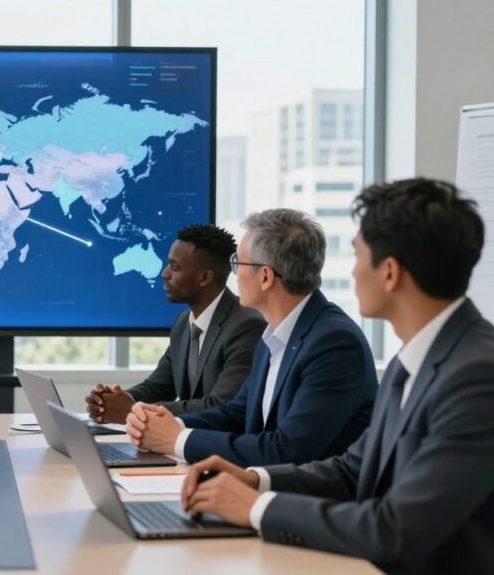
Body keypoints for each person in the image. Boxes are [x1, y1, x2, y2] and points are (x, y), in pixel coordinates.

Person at [178, 178, 494, 575]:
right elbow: (352, 469)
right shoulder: (413, 360)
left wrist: (256, 508)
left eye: (359, 256)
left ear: (390, 273)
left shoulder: (477, 376)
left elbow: (395, 528)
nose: (353, 270)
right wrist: (253, 479)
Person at [126, 209, 376, 466]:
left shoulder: (334, 343)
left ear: (265, 277)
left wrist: (177, 440)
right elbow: (237, 413)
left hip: (315, 500)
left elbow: (287, 450)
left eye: (238, 263)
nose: (233, 274)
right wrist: (166, 423)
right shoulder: (274, 336)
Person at [86, 225, 265, 423]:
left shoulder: (246, 327)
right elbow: (158, 386)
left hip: (217, 448)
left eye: (175, 267)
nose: (165, 273)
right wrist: (113, 401)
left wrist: (134, 411)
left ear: (204, 277)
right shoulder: (183, 323)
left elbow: (221, 405)